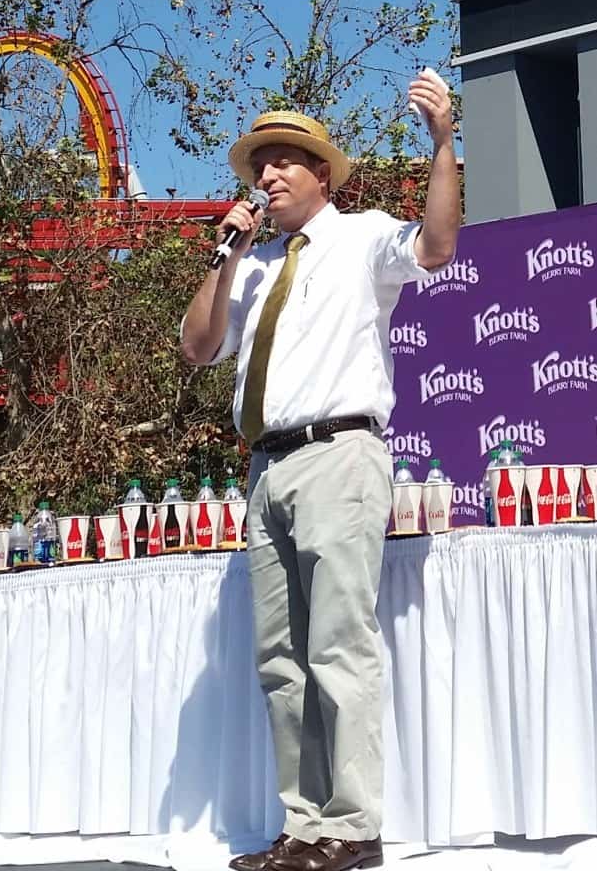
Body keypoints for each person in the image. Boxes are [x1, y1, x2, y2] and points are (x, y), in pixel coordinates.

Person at [180, 70, 459, 871]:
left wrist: (442, 143)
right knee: (281, 658)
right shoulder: (255, 265)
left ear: (321, 174)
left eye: (282, 163)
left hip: (338, 453)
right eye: (257, 167)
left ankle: (354, 825)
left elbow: (436, 247)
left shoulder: (362, 232)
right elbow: (197, 347)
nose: (265, 177)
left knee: (338, 644)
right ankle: (305, 827)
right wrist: (224, 254)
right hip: (266, 467)